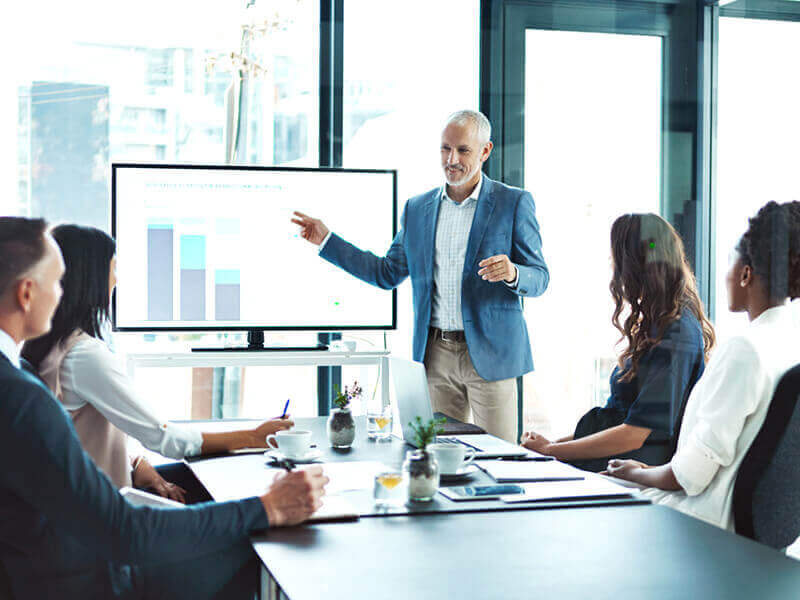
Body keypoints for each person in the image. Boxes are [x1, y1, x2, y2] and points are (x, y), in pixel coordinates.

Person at [0, 216, 328, 599]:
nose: (61, 293)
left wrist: (138, 466)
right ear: (26, 294)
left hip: (48, 560)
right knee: (254, 543)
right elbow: (124, 532)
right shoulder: (23, 395)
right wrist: (267, 508)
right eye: (56, 282)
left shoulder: (22, 370)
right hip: (88, 574)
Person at [292, 110, 549, 442]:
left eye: (463, 150)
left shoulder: (512, 203)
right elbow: (386, 273)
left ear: (485, 151)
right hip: (435, 356)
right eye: (445, 148)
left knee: (498, 458)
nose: (451, 159)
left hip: (491, 355)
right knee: (438, 457)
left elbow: (539, 277)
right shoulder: (417, 209)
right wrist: (327, 240)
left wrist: (514, 272)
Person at [21, 224, 294, 503]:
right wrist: (253, 437)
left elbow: (74, 439)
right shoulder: (84, 356)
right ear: (92, 278)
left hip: (77, 499)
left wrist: (136, 463)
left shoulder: (46, 346)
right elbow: (165, 439)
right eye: (114, 269)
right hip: (102, 513)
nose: (117, 280)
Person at [605, 201, 800, 531]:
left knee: (587, 493)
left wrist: (635, 473)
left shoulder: (745, 349)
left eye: (730, 263)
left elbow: (690, 476)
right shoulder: (787, 343)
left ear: (745, 274)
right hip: (739, 528)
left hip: (699, 521)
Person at [521, 213, 715, 471]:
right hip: (617, 459)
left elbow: (634, 434)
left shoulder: (676, 334)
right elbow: (619, 422)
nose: (612, 264)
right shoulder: (660, 323)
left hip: (629, 466)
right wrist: (551, 447)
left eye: (616, 258)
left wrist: (552, 451)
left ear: (634, 266)